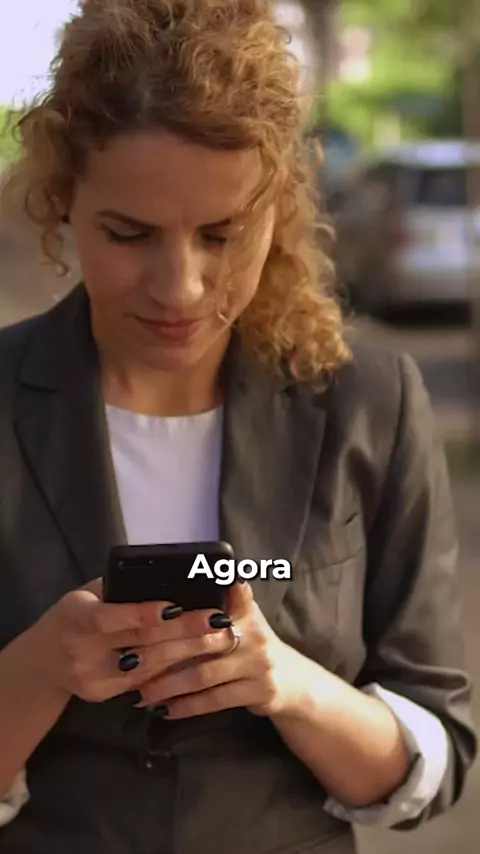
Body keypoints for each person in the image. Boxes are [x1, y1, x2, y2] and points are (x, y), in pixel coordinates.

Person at [0, 1, 476, 852]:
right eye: (130, 234)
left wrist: (287, 684)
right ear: (63, 199)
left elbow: (435, 759)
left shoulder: (370, 403)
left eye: (222, 234)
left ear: (276, 212)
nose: (179, 286)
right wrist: (38, 670)